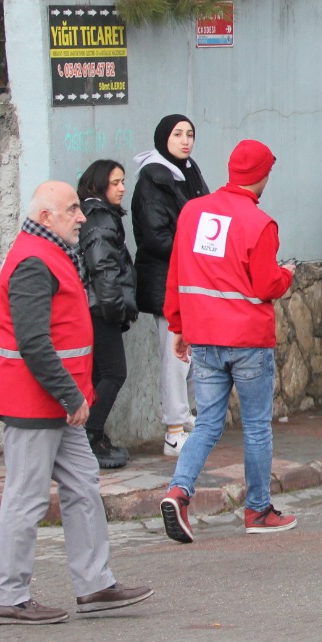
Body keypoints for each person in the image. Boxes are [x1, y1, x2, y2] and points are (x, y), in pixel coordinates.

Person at [0, 181, 153, 624]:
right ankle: (8, 596)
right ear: (46, 217)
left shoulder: (48, 252)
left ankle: (96, 585)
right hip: (35, 403)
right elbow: (33, 342)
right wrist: (70, 394)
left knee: (83, 486)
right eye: (71, 210)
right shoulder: (32, 262)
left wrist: (72, 396)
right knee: (26, 499)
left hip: (56, 403)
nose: (81, 217)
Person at [158, 140, 298, 543]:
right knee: (256, 428)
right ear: (264, 176)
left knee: (205, 425)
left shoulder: (192, 211)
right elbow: (266, 284)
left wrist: (178, 325)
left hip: (204, 337)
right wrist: (286, 274)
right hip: (248, 339)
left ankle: (179, 491)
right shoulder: (261, 224)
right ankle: (258, 510)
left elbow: (178, 272)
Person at [131, 114, 209, 456]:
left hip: (190, 276)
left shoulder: (189, 171)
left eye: (189, 134)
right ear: (164, 137)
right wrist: (195, 248)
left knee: (190, 354)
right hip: (166, 280)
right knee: (173, 355)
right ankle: (174, 431)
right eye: (177, 134)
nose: (185, 140)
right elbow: (155, 236)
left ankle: (187, 418)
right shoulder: (154, 178)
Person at [76, 159, 138, 470]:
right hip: (100, 308)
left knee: (99, 375)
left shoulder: (96, 214)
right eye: (115, 182)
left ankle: (90, 437)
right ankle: (90, 436)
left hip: (96, 306)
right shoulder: (99, 217)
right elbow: (103, 268)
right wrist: (116, 309)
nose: (122, 188)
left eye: (123, 181)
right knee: (114, 373)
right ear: (98, 184)